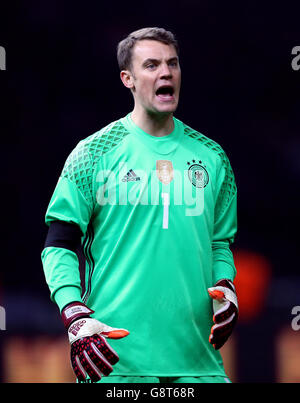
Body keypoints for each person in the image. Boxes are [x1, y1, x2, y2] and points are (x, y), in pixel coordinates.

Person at [41, 27, 238, 384]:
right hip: (115, 364)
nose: (166, 73)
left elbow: (218, 244)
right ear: (127, 78)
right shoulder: (93, 154)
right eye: (151, 65)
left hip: (199, 364)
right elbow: (59, 243)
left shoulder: (212, 157)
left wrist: (227, 287)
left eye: (172, 64)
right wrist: (73, 311)